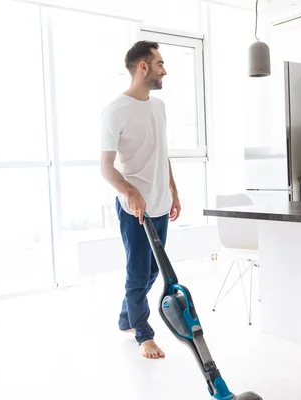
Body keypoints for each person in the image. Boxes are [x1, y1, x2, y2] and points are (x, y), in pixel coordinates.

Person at [100, 40, 182, 360]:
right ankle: (143, 335)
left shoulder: (158, 107)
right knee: (138, 272)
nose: (165, 70)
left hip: (161, 203)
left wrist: (174, 191)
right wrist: (130, 192)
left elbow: (163, 155)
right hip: (135, 210)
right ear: (143, 67)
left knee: (151, 273)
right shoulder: (114, 111)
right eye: (160, 63)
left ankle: (126, 317)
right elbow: (106, 168)